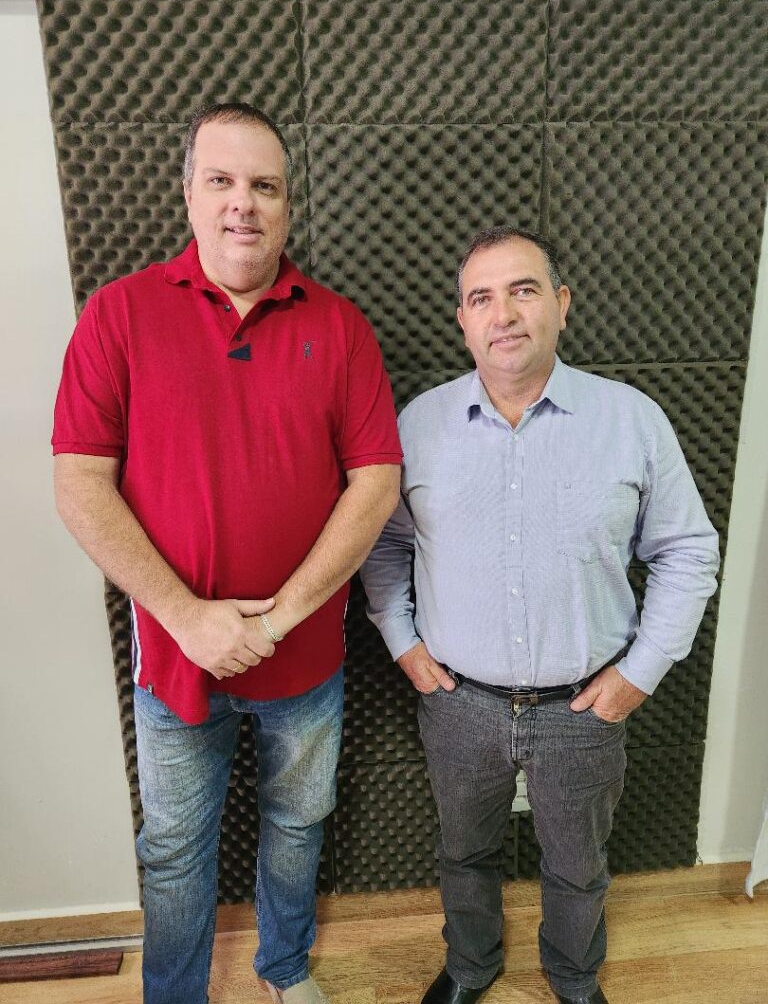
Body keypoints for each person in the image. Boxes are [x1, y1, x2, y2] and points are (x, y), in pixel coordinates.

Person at [52, 102, 402, 1004]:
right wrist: (187, 616)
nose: (242, 203)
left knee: (298, 823)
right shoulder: (119, 315)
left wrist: (278, 619)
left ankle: (283, 968)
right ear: (189, 194)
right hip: (176, 658)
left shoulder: (342, 326)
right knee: (174, 847)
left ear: (288, 204)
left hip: (308, 657)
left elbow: (376, 485)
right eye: (222, 181)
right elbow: (80, 483)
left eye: (264, 185)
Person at [360, 226, 719, 1004]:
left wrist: (641, 672)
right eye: (482, 297)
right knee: (464, 853)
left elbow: (689, 552)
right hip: (459, 702)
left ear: (560, 303)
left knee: (578, 864)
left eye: (523, 290)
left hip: (584, 707)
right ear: (462, 319)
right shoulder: (416, 426)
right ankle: (470, 968)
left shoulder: (632, 420)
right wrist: (403, 642)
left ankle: (574, 976)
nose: (504, 314)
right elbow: (382, 546)